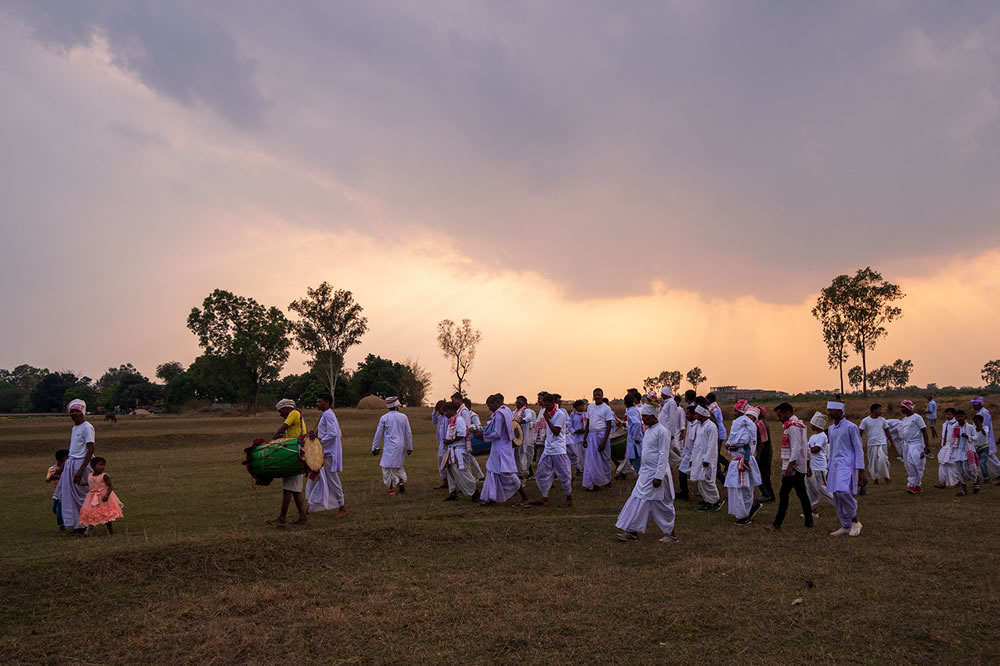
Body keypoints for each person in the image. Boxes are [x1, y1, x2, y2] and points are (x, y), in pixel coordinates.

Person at [615, 404, 678, 543]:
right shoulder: (649, 431)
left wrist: (658, 476)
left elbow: (663, 455)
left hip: (656, 474)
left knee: (662, 504)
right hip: (646, 473)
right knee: (637, 501)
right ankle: (631, 531)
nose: (643, 419)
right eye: (642, 416)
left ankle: (671, 534)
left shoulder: (662, 431)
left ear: (653, 416)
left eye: (645, 416)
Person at [765, 403, 812, 532]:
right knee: (802, 494)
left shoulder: (793, 427)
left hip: (793, 467)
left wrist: (790, 467)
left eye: (780, 415)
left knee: (784, 494)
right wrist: (807, 464)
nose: (778, 418)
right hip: (798, 465)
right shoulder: (799, 425)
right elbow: (805, 446)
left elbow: (796, 447)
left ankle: (776, 524)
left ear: (787, 413)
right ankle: (809, 522)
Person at [479, 394, 531, 506]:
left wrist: (483, 437)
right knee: (493, 472)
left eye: (489, 406)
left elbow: (497, 433)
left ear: (495, 403)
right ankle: (491, 498)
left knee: (508, 474)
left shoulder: (499, 414)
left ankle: (525, 497)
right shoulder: (506, 409)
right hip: (504, 446)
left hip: (500, 448)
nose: (489, 408)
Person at [825, 401, 866, 537]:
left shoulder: (851, 427)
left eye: (832, 410)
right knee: (836, 496)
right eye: (828, 410)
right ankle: (846, 525)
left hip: (847, 465)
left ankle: (855, 521)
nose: (829, 413)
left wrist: (861, 471)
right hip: (835, 465)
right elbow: (831, 451)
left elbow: (858, 449)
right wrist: (828, 468)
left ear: (841, 412)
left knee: (843, 492)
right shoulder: (831, 429)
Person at [266, 398, 309, 526]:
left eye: (281, 411)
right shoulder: (296, 415)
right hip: (296, 452)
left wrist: (271, 441)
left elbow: (282, 428)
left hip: (294, 454)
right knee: (295, 490)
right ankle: (303, 517)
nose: (280, 414)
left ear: (287, 408)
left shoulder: (293, 414)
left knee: (288, 489)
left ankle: (282, 519)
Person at [56, 399, 95, 536]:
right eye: (72, 411)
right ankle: (78, 526)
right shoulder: (74, 428)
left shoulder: (87, 427)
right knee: (70, 496)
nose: (74, 413)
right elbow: (73, 450)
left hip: (82, 463)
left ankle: (87, 525)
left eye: (77, 411)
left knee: (83, 496)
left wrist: (82, 469)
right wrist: (62, 467)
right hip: (72, 462)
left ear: (82, 412)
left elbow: (90, 449)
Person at [528, 393, 573, 507]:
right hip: (548, 449)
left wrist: (547, 420)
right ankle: (544, 497)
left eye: (547, 405)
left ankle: (569, 498)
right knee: (542, 473)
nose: (546, 407)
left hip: (558, 450)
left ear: (554, 404)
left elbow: (556, 432)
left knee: (564, 475)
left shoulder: (559, 414)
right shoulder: (546, 412)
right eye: (544, 405)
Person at [306, 393, 347, 516]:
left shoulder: (328, 415)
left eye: (319, 402)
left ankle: (342, 507)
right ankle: (311, 508)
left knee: (332, 480)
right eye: (317, 401)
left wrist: (319, 443)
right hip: (324, 452)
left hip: (328, 454)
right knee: (316, 479)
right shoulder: (326, 414)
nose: (317, 404)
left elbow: (334, 433)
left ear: (327, 402)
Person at [724, 405, 763, 525]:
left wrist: (734, 445)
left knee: (744, 489)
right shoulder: (743, 426)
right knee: (739, 488)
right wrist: (730, 445)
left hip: (744, 461)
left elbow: (745, 442)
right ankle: (747, 510)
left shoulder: (748, 427)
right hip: (738, 460)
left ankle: (745, 515)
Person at [371, 396, 413, 495]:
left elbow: (378, 433)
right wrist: (410, 447)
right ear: (397, 405)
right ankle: (401, 481)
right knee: (398, 464)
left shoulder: (384, 417)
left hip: (390, 446)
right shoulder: (404, 417)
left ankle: (391, 488)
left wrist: (374, 447)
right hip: (401, 445)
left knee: (386, 466)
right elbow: (409, 433)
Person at [442, 402, 480, 502]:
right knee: (451, 473)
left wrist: (449, 441)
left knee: (462, 473)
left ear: (451, 410)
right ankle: (453, 493)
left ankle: (474, 492)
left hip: (458, 451)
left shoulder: (458, 420)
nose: (445, 413)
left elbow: (462, 435)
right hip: (452, 450)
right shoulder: (452, 420)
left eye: (446, 411)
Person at [78, 457, 124, 536]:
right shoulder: (90, 475)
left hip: (103, 497)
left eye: (103, 465)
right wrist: (82, 484)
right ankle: (88, 531)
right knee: (91, 514)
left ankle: (111, 532)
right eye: (100, 465)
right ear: (93, 466)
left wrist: (107, 495)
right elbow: (91, 482)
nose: (102, 467)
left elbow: (110, 486)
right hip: (92, 498)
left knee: (106, 514)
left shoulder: (104, 476)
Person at [690, 405, 723, 512]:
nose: (695, 416)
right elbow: (697, 444)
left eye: (696, 414)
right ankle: (707, 501)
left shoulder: (711, 426)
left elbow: (712, 444)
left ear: (702, 414)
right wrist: (693, 459)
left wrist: (707, 459)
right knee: (700, 480)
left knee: (707, 480)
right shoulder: (700, 425)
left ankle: (715, 501)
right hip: (698, 457)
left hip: (706, 459)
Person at [582, 388, 615, 490]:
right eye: (595, 395)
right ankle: (593, 482)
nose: (597, 397)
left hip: (602, 436)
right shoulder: (590, 407)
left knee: (604, 459)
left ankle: (607, 480)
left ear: (602, 396)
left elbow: (609, 426)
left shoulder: (606, 408)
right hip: (591, 436)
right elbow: (588, 423)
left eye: (598, 395)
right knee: (592, 460)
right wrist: (585, 437)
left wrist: (604, 442)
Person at [805, 412, 834, 519]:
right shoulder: (813, 436)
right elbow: (809, 449)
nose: (811, 425)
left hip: (819, 467)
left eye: (812, 423)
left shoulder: (822, 436)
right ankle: (813, 512)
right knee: (811, 489)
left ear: (817, 425)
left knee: (823, 489)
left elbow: (815, 449)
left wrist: (806, 448)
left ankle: (840, 505)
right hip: (811, 466)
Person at [453, 392, 485, 481]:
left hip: (469, 438)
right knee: (470, 458)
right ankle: (480, 475)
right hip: (465, 438)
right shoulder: (460, 411)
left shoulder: (468, 413)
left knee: (469, 458)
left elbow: (474, 425)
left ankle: (478, 475)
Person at [899, 400, 929, 494]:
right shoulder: (903, 420)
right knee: (909, 465)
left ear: (908, 408)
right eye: (901, 407)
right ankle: (914, 485)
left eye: (903, 407)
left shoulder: (917, 418)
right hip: (907, 446)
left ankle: (916, 484)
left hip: (916, 445)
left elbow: (924, 431)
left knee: (917, 464)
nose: (901, 409)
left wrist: (927, 446)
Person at [859, 404, 893, 484]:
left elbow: (887, 432)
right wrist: (857, 444)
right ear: (874, 410)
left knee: (883, 460)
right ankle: (875, 478)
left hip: (882, 443)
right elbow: (860, 433)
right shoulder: (865, 420)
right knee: (872, 462)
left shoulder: (883, 420)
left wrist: (891, 442)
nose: (881, 411)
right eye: (879, 410)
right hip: (871, 444)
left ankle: (886, 477)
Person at [971, 397, 1000, 483]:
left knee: (992, 458)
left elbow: (984, 426)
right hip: (980, 440)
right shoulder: (980, 412)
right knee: (989, 460)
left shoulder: (984, 412)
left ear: (979, 404)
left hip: (985, 440)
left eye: (975, 405)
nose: (973, 407)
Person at [616, 394, 642, 480]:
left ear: (625, 403)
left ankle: (640, 477)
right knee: (632, 458)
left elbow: (637, 423)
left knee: (635, 459)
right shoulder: (635, 410)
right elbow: (632, 423)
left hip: (634, 440)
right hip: (634, 438)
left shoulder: (630, 411)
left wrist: (635, 437)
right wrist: (624, 423)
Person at [512, 395, 536, 480]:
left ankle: (525, 473)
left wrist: (520, 422)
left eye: (519, 402)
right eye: (516, 402)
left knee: (527, 455)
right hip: (517, 439)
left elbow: (528, 418)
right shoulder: (514, 412)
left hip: (526, 438)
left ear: (525, 403)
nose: (517, 404)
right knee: (517, 456)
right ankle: (519, 474)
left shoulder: (528, 411)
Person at [754, 405, 775, 502]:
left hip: (764, 452)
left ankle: (766, 494)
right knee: (765, 474)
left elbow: (763, 441)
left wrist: (758, 455)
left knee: (760, 474)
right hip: (767, 451)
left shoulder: (760, 424)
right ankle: (770, 495)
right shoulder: (763, 423)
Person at [707, 392, 728, 483]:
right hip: (720, 432)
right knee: (716, 455)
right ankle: (719, 470)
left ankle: (726, 465)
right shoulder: (714, 406)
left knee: (715, 455)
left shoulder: (712, 408)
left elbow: (711, 419)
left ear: (709, 399)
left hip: (718, 433)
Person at [46, 449, 69, 531]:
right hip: (56, 494)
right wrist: (52, 477)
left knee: (59, 510)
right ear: (60, 459)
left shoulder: (68, 469)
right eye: (67, 457)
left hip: (65, 493)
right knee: (55, 510)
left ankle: (62, 525)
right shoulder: (52, 469)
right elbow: (47, 480)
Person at [934, 408, 957, 489]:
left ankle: (959, 480)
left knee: (953, 465)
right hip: (945, 447)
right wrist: (942, 445)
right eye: (946, 414)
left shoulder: (956, 424)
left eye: (949, 414)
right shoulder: (945, 424)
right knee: (942, 464)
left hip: (953, 447)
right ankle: (942, 482)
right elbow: (944, 436)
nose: (947, 416)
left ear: (954, 415)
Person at [432, 400, 450, 489]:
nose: (439, 411)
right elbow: (434, 420)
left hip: (447, 443)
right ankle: (444, 481)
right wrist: (434, 411)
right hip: (441, 443)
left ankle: (450, 482)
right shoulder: (440, 418)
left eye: (439, 409)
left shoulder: (448, 418)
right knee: (440, 462)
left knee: (447, 463)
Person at [568, 399, 588, 477]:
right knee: (579, 455)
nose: (582, 407)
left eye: (583, 405)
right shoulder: (573, 415)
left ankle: (587, 468)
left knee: (586, 453)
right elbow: (570, 425)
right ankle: (580, 469)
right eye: (581, 406)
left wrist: (586, 430)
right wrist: (575, 431)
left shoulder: (586, 414)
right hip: (577, 437)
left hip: (586, 437)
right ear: (576, 407)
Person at [971, 414, 990, 491]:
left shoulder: (985, 428)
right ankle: (976, 478)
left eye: (977, 421)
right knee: (974, 465)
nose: (976, 423)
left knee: (982, 463)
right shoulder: (973, 429)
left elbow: (985, 433)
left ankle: (987, 478)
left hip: (984, 448)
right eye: (975, 421)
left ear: (981, 422)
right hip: (976, 448)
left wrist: (980, 426)